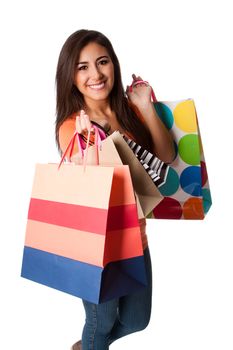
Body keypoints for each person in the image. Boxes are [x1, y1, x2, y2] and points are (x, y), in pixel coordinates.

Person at [55, 29, 175, 350]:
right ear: (71, 76)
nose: (95, 74)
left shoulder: (126, 111)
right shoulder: (73, 126)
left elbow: (166, 157)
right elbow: (93, 193)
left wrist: (144, 106)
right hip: (98, 248)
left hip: (137, 237)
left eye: (102, 62)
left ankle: (89, 346)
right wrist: (88, 146)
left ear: (113, 65)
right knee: (101, 322)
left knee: (137, 319)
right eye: (83, 67)